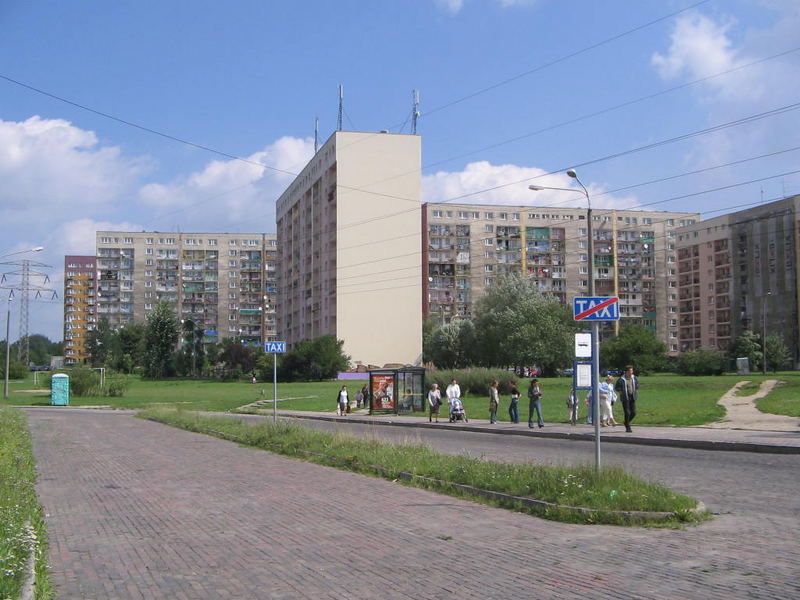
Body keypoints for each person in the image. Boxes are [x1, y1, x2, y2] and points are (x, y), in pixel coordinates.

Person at [615, 365, 639, 432]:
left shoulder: (634, 378)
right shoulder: (621, 379)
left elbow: (637, 384)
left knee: (633, 412)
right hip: (625, 397)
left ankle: (626, 422)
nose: (632, 372)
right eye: (630, 371)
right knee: (627, 412)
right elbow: (617, 387)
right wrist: (620, 392)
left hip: (632, 396)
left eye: (632, 370)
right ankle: (628, 427)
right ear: (626, 371)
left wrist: (636, 389)